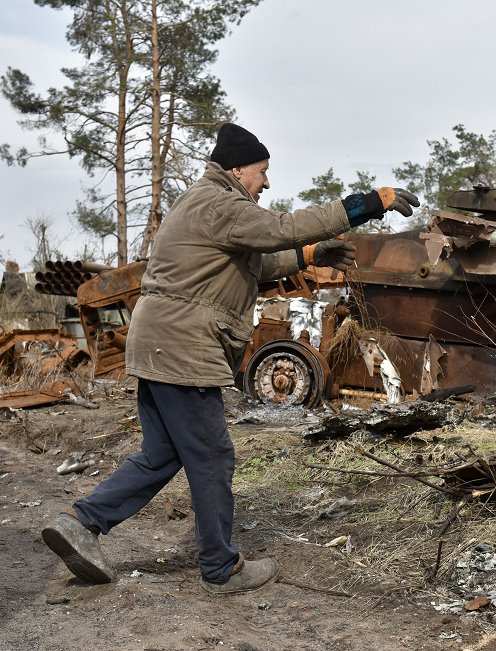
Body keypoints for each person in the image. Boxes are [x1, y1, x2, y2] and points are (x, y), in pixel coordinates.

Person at [41, 124, 418, 594]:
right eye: (262, 172)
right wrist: (365, 204)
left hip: (160, 342)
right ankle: (220, 568)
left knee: (161, 455)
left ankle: (82, 522)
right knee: (213, 456)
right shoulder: (220, 202)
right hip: (183, 347)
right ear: (238, 170)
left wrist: (312, 254)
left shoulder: (209, 206)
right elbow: (281, 228)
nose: (266, 183)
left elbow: (259, 262)